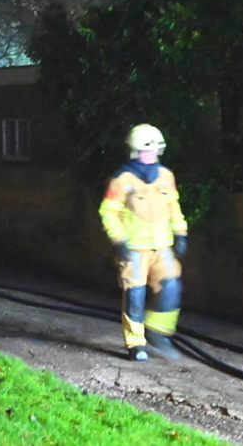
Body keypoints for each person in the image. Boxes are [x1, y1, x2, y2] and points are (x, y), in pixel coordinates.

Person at [99, 124, 188, 361]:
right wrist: (118, 239)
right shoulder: (122, 179)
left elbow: (173, 206)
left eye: (155, 149)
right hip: (134, 249)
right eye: (146, 149)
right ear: (134, 151)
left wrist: (180, 232)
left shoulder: (166, 176)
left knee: (171, 287)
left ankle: (158, 331)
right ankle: (135, 344)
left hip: (162, 245)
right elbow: (108, 211)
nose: (151, 154)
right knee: (135, 296)